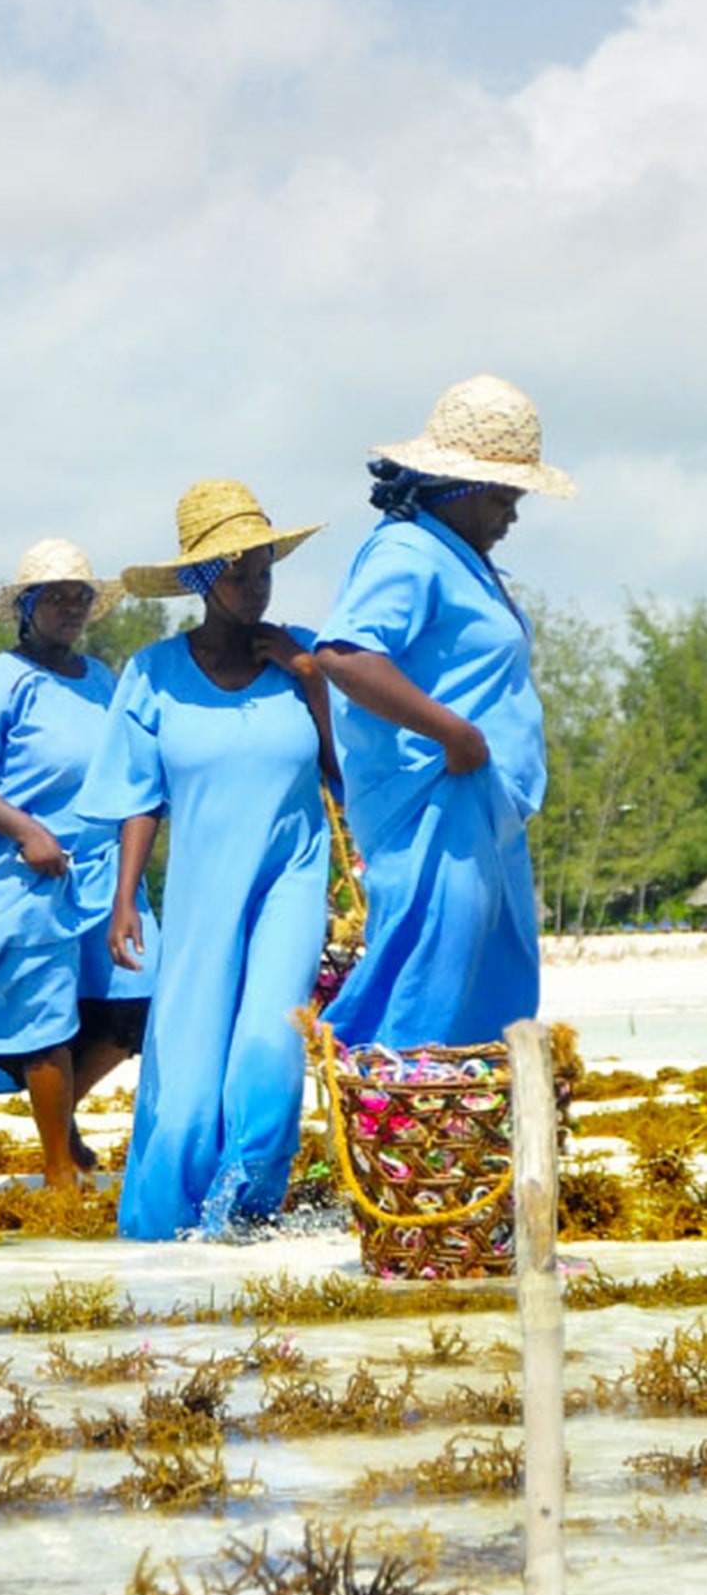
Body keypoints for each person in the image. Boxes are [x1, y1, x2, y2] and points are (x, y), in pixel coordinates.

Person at [79, 480, 334, 1240]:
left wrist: (312, 678)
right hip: (198, 892)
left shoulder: (303, 658)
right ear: (197, 582)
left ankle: (245, 1209)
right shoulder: (153, 674)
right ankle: (165, 1232)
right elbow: (137, 796)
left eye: (262, 570)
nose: (254, 587)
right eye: (235, 573)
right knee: (186, 1073)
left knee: (267, 1044)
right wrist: (124, 901)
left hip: (291, 879)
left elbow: (349, 775)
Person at [314, 374, 574, 1052]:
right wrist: (453, 732)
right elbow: (343, 655)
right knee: (427, 974)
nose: (511, 514)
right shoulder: (406, 551)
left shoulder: (463, 558)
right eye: (501, 496)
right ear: (454, 489)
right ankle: (389, 1130)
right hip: (437, 801)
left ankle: (468, 1139)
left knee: (491, 981)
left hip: (483, 804)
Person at [0, 540, 158, 1192]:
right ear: (26, 607)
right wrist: (27, 830)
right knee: (43, 1019)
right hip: (28, 872)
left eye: (81, 597)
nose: (71, 608)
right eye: (56, 597)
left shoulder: (102, 679)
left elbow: (129, 774)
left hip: (103, 872)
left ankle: (58, 1118)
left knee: (132, 1009)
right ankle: (56, 1173)